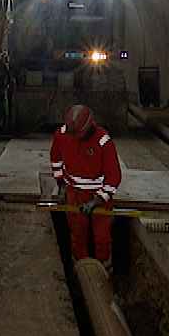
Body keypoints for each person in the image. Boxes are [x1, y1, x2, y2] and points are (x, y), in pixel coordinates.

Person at [50, 103, 121, 263]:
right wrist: (61, 185)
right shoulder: (62, 134)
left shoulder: (103, 141)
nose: (74, 138)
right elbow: (56, 160)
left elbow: (114, 177)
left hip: (99, 196)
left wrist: (98, 200)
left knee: (102, 237)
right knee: (77, 235)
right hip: (74, 194)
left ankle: (104, 268)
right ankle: (81, 268)